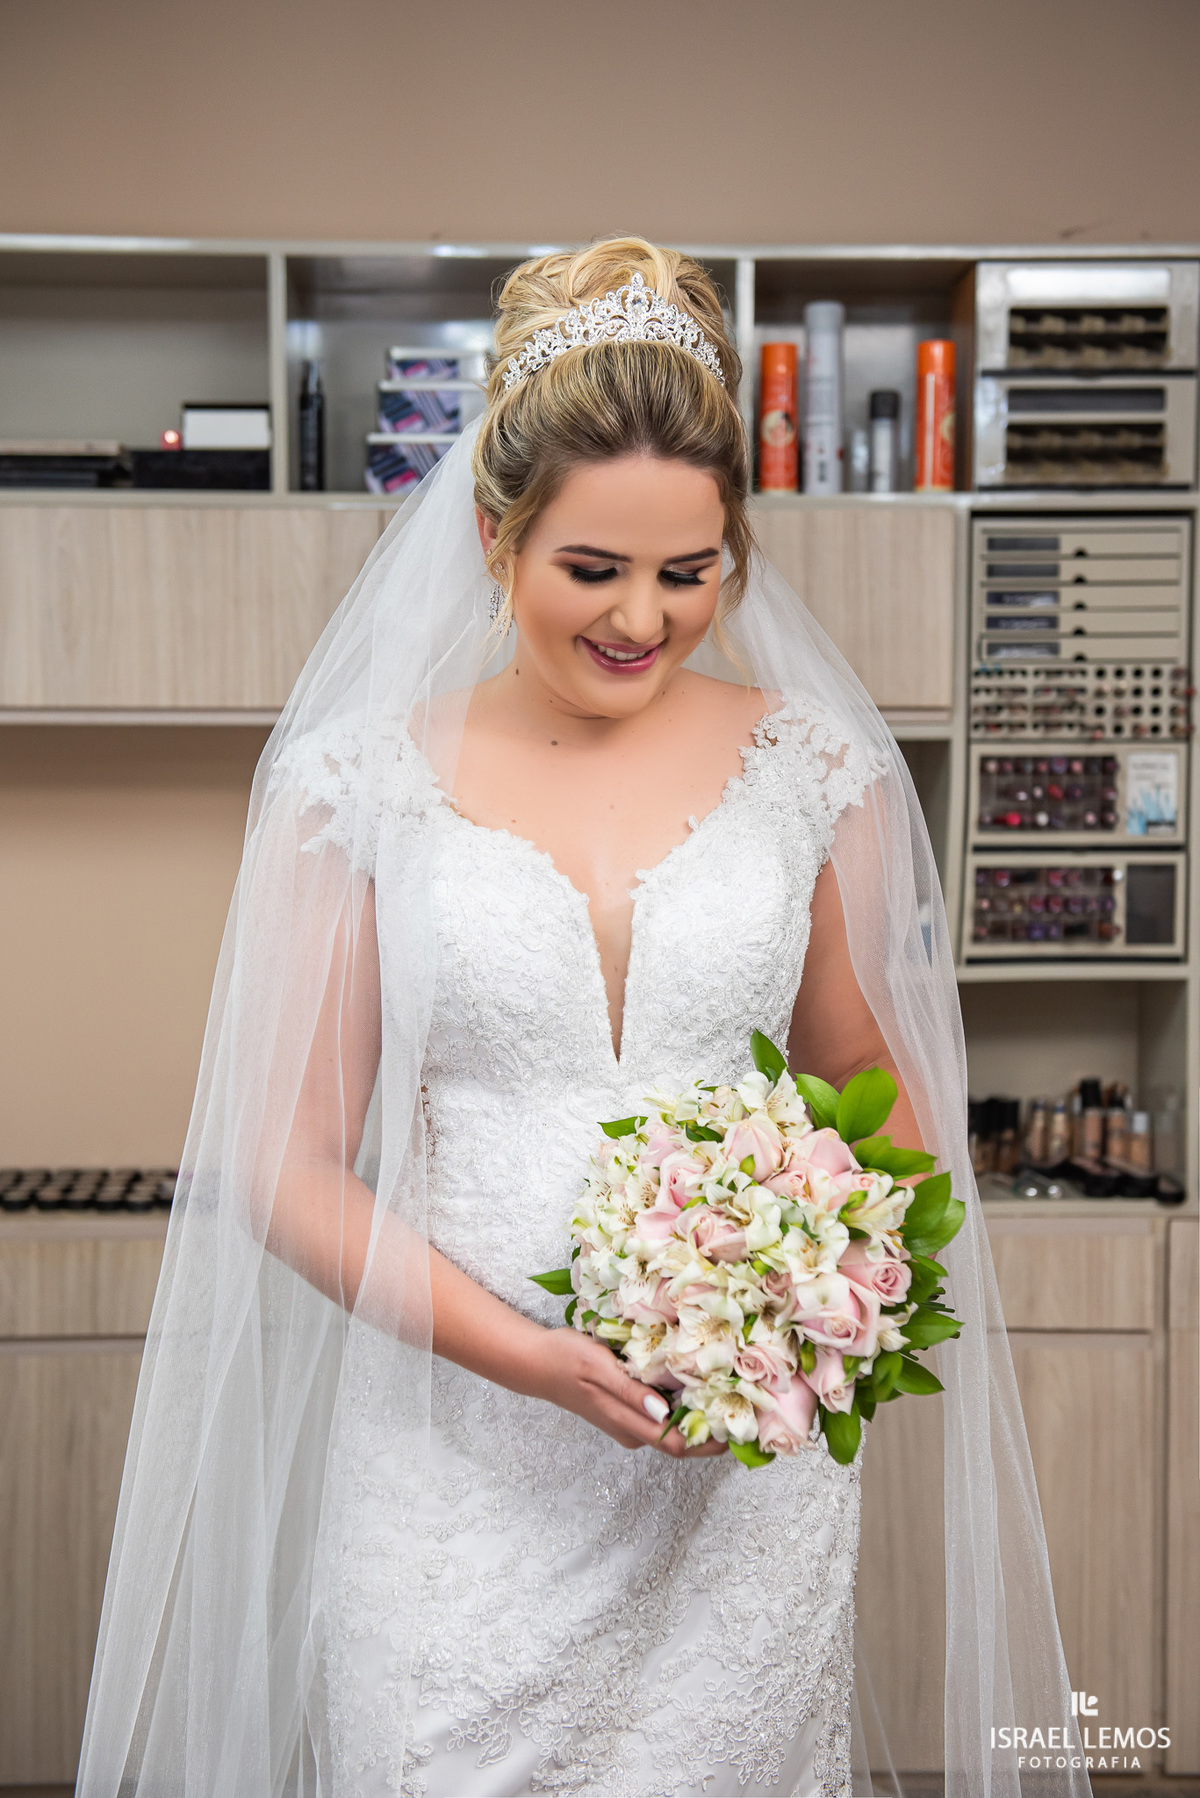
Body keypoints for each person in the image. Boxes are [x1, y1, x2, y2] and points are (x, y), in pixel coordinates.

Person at [79, 239, 1086, 1798]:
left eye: (689, 573)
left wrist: (826, 1269)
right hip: (455, 1476)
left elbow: (872, 1076)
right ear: (495, 535)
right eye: (592, 569)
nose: (642, 617)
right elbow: (286, 1166)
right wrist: (540, 1359)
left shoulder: (818, 771)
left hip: (735, 1493)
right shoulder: (356, 786)